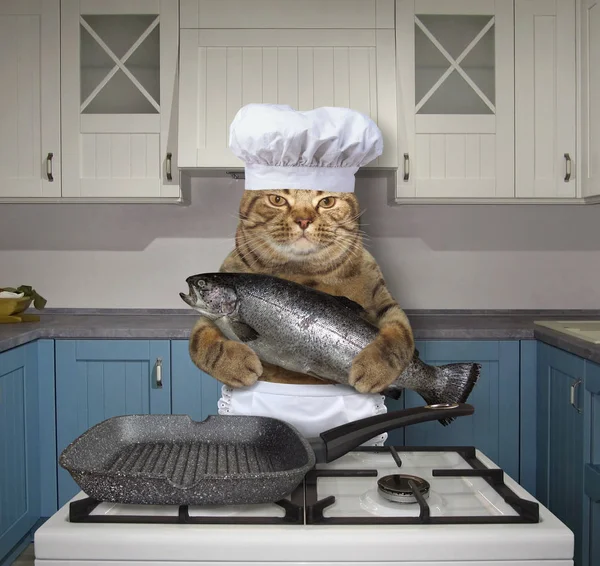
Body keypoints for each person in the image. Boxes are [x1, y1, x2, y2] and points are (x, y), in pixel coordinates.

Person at [188, 104, 415, 445]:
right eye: (279, 200)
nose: (303, 218)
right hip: (258, 403)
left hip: (350, 409)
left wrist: (391, 354)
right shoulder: (237, 265)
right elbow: (206, 328)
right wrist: (217, 354)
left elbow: (389, 316)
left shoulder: (360, 262)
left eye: (326, 203)